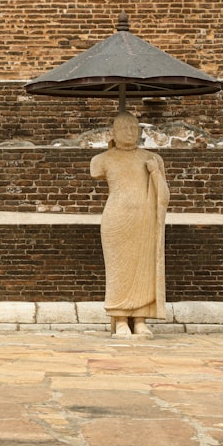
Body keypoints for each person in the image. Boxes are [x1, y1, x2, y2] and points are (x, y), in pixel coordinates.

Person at [90, 112, 169, 337]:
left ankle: (140, 318)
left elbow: (164, 196)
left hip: (144, 219)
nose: (130, 132)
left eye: (134, 128)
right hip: (117, 219)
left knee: (144, 268)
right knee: (119, 269)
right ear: (113, 132)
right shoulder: (101, 160)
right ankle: (121, 317)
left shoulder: (151, 159)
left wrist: (155, 173)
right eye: (124, 128)